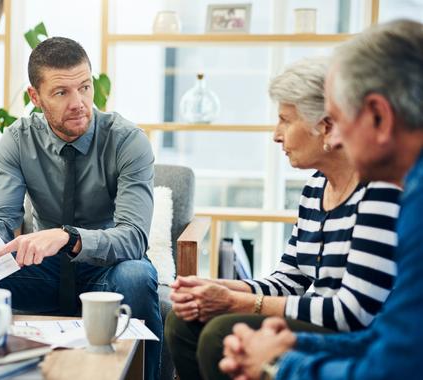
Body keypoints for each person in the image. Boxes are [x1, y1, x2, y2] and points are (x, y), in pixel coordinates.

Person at [164, 57, 402, 380]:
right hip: (317, 318)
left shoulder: (378, 191)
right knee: (182, 322)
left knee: (220, 335)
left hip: (356, 337)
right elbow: (288, 281)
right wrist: (218, 287)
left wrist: (237, 302)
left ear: (327, 127)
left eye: (285, 121)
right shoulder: (315, 188)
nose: (276, 135)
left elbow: (351, 313)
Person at [0, 37, 162, 380]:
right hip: (40, 270)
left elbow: (133, 238)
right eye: (62, 93)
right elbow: (2, 219)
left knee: (136, 274)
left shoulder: (127, 140)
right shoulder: (18, 140)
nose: (79, 103)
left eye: (85, 87)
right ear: (36, 97)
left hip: (105, 270)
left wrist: (68, 237)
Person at [219, 19, 423, 380]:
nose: (337, 138)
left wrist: (276, 365)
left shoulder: (406, 198)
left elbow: (390, 367)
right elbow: (391, 340)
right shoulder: (408, 186)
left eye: (339, 121)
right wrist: (298, 347)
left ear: (380, 117)